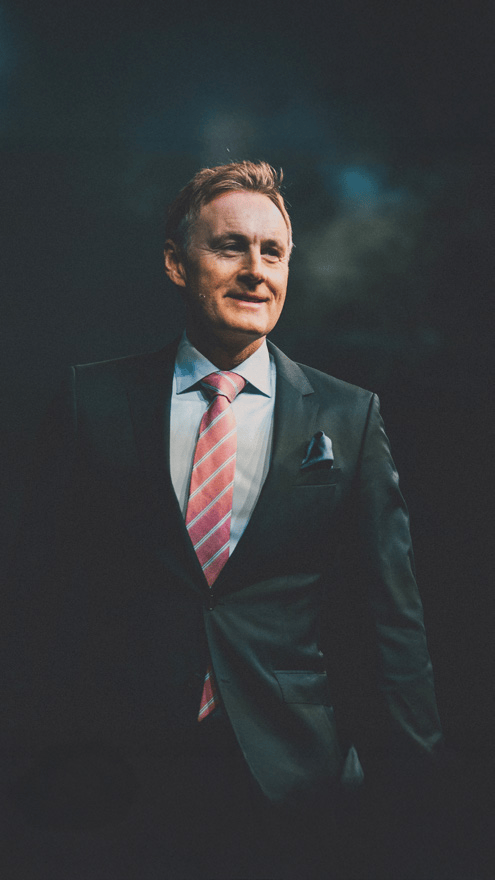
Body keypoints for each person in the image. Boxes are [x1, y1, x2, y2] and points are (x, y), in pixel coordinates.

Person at [2, 161, 443, 879]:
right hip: (114, 777)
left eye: (273, 253)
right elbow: (35, 603)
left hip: (291, 781)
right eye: (230, 246)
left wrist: (417, 805)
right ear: (177, 263)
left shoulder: (348, 417)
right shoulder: (93, 401)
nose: (255, 271)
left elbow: (391, 623)